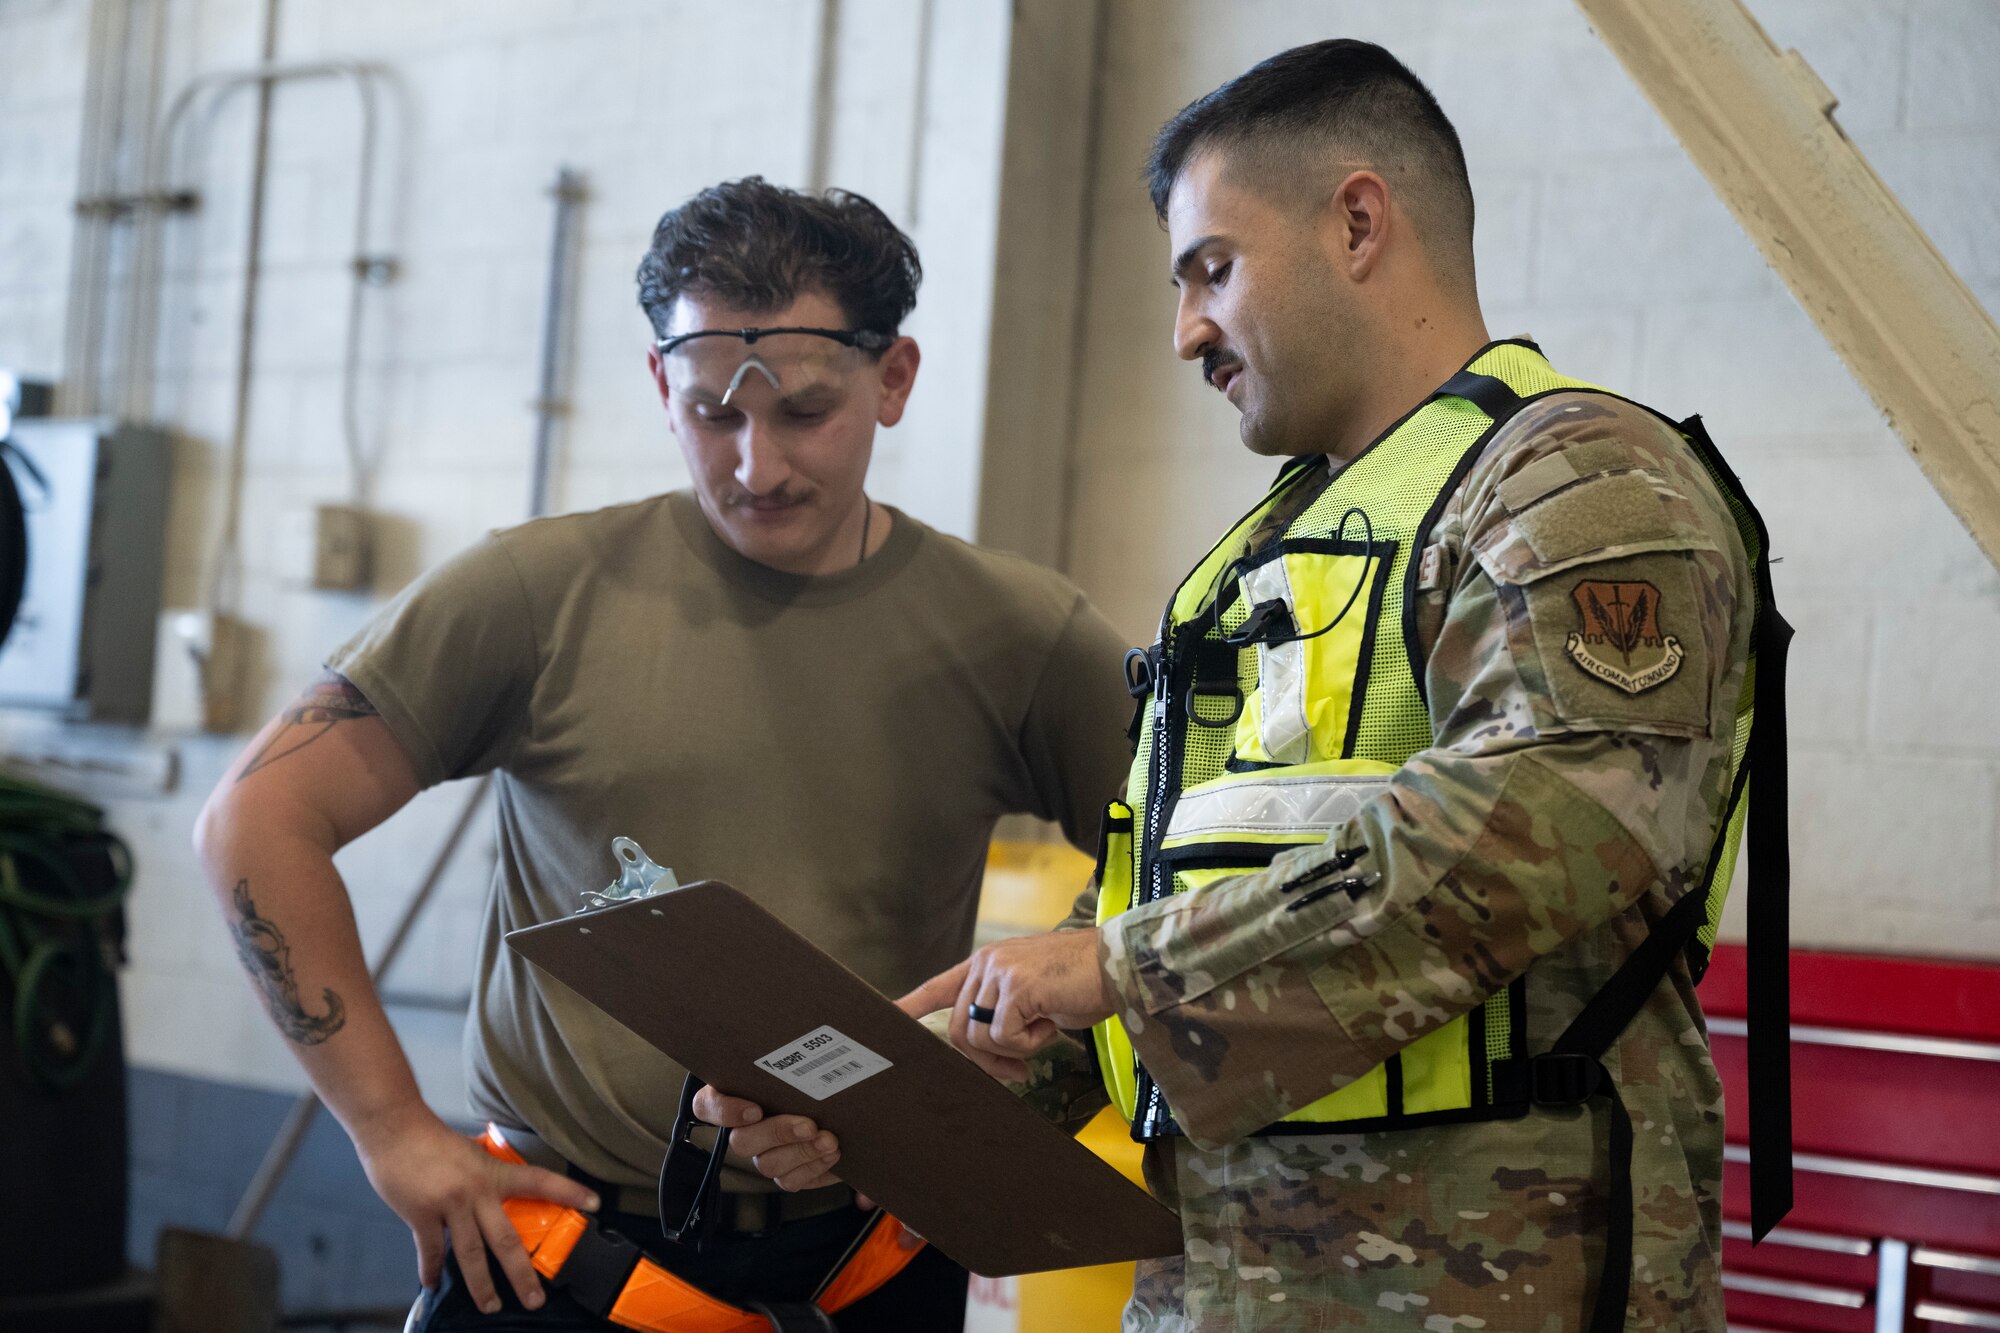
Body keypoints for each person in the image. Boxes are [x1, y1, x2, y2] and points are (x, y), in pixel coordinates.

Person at [702, 41, 1788, 1332]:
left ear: (1360, 222)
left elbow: (1532, 841)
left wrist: (1108, 965)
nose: (1184, 332)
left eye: (1212, 268)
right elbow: (1174, 940)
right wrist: (908, 1089)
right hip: (1218, 1292)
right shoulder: (1258, 563)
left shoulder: (1583, 486)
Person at [193, 177, 1136, 1331]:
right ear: (658, 383)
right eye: (710, 414)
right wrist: (391, 1132)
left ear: (893, 379)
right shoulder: (534, 594)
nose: (754, 465)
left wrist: (1020, 1059)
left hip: (873, 1263)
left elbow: (1185, 870)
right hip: (552, 1263)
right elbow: (255, 819)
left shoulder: (1021, 638)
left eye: (802, 412)